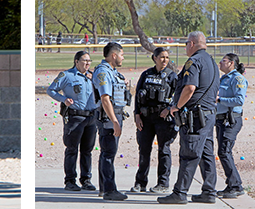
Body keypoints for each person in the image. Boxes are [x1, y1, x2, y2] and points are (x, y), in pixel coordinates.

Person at [158, 31, 220, 204]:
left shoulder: (194, 61)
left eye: (186, 43)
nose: (186, 47)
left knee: (190, 154)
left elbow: (190, 88)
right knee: (206, 154)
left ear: (192, 44)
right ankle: (209, 191)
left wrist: (176, 106)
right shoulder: (213, 63)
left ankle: (180, 193)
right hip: (208, 116)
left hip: (195, 117)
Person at [47, 51, 97, 191]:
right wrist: (64, 100)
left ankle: (86, 179)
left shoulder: (92, 77)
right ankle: (70, 181)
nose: (87, 64)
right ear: (76, 61)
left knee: (87, 150)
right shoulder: (67, 75)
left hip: (91, 117)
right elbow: (51, 90)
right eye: (84, 60)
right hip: (75, 117)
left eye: (89, 61)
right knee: (72, 149)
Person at [131, 47, 178, 194]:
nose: (165, 60)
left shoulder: (172, 76)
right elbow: (138, 96)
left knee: (164, 150)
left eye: (167, 57)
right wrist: (137, 115)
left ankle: (163, 183)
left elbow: (178, 97)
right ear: (155, 58)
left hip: (163, 119)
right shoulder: (146, 74)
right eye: (162, 57)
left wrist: (170, 109)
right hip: (145, 118)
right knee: (144, 150)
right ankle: (140, 183)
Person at [93, 42, 129, 201]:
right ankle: (109, 190)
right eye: (121, 54)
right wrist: (114, 121)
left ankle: (104, 188)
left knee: (107, 154)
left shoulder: (112, 72)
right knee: (108, 153)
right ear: (113, 55)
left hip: (114, 116)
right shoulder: (103, 72)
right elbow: (105, 99)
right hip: (109, 118)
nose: (123, 57)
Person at [215, 53, 247, 199]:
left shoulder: (238, 79)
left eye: (224, 60)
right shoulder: (223, 78)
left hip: (231, 119)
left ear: (231, 63)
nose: (220, 62)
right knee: (223, 152)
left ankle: (236, 186)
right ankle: (231, 185)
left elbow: (239, 100)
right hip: (221, 119)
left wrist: (220, 99)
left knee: (224, 151)